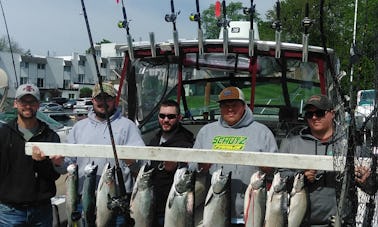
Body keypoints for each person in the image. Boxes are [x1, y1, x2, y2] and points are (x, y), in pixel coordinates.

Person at [279, 94, 374, 226]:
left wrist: (365, 180)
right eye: (309, 114)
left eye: (319, 113)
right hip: (300, 222)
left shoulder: (350, 145)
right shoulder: (290, 144)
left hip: (340, 223)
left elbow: (371, 188)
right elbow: (280, 179)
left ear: (332, 114)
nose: (314, 117)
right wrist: (300, 177)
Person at [62, 81, 145, 226]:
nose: (103, 102)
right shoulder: (78, 128)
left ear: (115, 100)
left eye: (108, 98)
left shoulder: (128, 126)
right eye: (99, 98)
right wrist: (57, 162)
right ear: (93, 100)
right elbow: (66, 164)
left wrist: (133, 162)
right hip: (84, 200)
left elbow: (143, 166)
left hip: (116, 202)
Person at [192, 86, 278, 226]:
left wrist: (268, 168)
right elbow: (191, 168)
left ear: (244, 106)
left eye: (234, 105)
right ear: (220, 108)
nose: (230, 109)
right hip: (211, 214)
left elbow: (276, 170)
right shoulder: (206, 132)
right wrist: (200, 167)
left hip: (249, 215)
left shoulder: (263, 132)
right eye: (225, 105)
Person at [0, 83, 62, 226]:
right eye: (23, 101)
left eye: (32, 101)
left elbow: (54, 176)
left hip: (42, 211)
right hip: (9, 212)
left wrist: (43, 162)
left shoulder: (51, 136)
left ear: (38, 105)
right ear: (15, 104)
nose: (27, 106)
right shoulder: (3, 134)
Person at [148, 99, 194, 226]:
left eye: (171, 116)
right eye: (162, 116)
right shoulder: (154, 139)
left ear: (179, 117)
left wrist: (176, 166)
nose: (166, 120)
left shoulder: (187, 141)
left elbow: (190, 173)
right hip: (151, 207)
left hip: (174, 209)